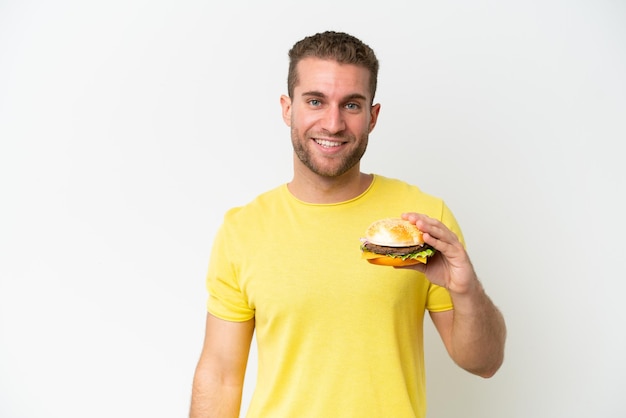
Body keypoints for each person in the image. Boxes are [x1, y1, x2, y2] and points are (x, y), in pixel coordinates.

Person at [189, 30, 506, 418]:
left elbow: (484, 362)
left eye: (351, 105)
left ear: (372, 116)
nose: (333, 123)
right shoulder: (243, 229)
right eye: (316, 101)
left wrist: (466, 289)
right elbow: (220, 374)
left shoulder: (421, 220)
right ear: (288, 108)